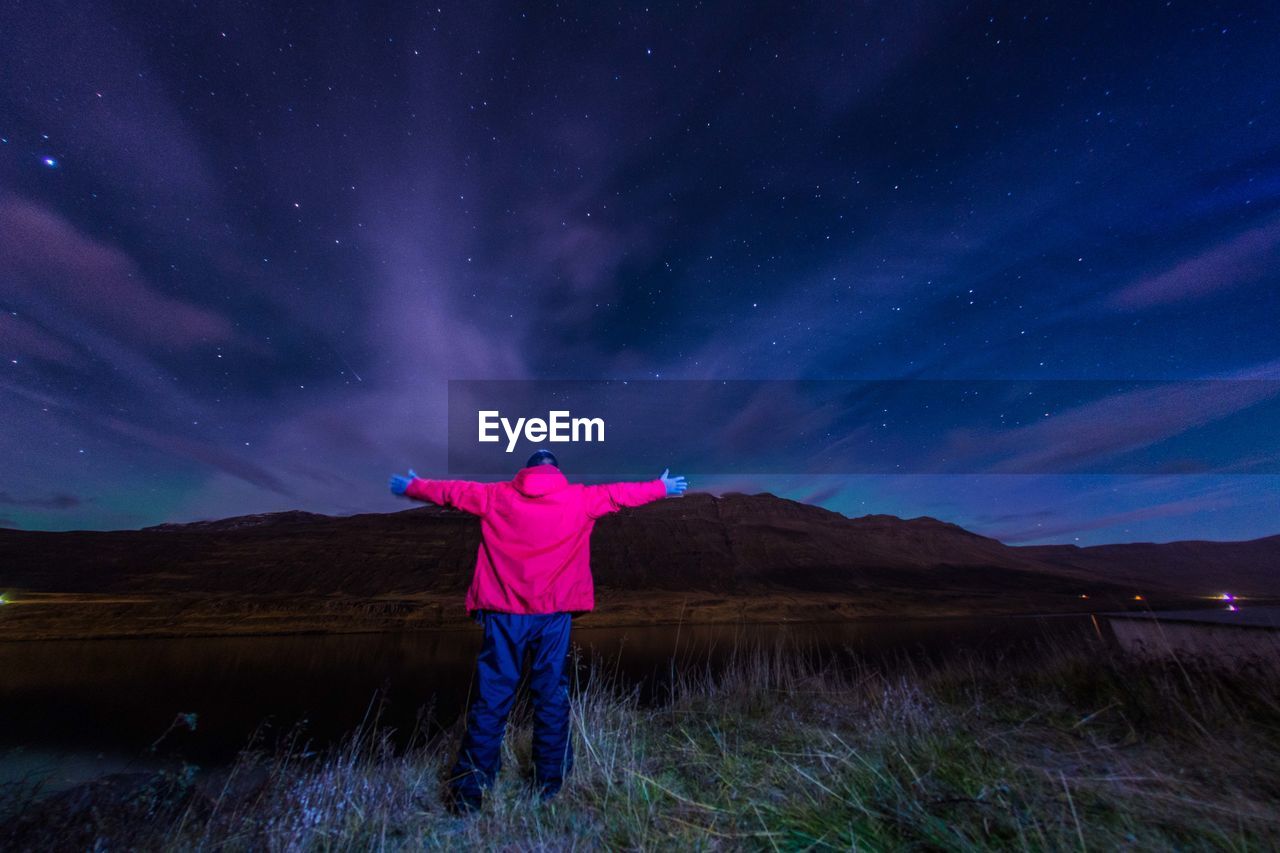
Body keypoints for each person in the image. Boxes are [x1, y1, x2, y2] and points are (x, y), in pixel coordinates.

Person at [388, 449, 688, 813]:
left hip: (504, 616)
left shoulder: (496, 496)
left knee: (491, 700)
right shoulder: (579, 498)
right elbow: (620, 494)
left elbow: (451, 492)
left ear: (526, 471)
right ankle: (549, 785)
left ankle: (470, 793)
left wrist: (413, 486)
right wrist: (661, 486)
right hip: (552, 617)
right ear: (555, 471)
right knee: (551, 697)